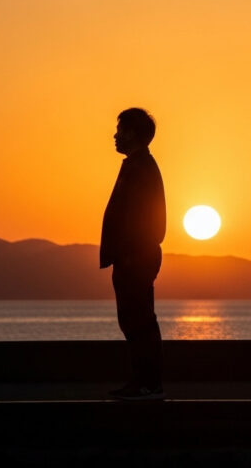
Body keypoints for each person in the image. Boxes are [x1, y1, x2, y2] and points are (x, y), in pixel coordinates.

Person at [101, 108, 167, 400]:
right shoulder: (137, 166)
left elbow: (145, 219)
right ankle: (143, 382)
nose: (116, 135)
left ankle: (148, 384)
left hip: (135, 257)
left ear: (135, 134)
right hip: (132, 256)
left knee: (138, 320)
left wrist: (131, 254)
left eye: (121, 130)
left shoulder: (142, 168)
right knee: (134, 320)